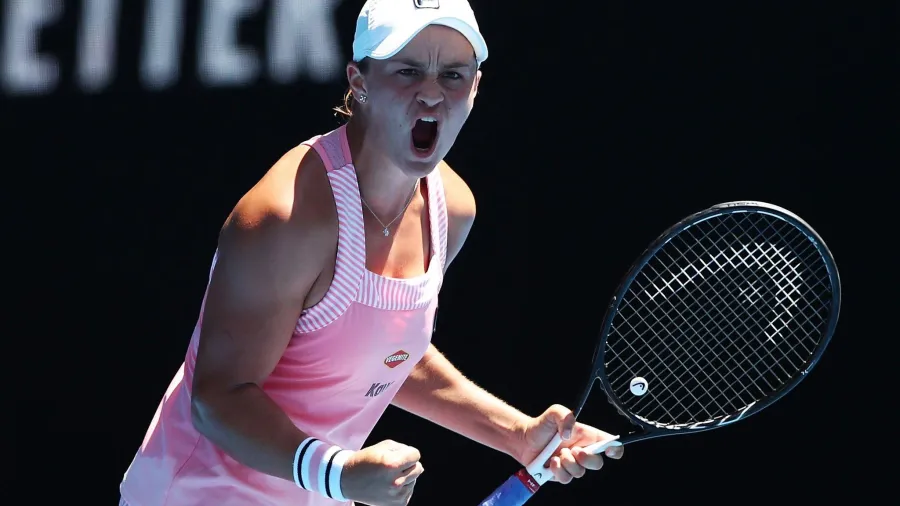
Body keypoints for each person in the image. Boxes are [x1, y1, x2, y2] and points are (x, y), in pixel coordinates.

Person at [118, 1, 624, 505]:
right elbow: (217, 398)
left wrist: (517, 435)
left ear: (475, 88)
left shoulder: (454, 209)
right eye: (408, 71)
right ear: (359, 81)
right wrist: (338, 473)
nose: (431, 93)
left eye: (452, 75)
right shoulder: (288, 217)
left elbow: (377, 351)